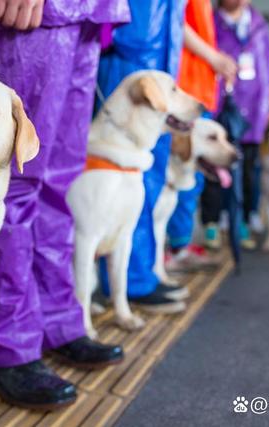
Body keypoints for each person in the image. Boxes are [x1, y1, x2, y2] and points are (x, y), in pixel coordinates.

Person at [0, 0, 130, 410]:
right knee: (11, 178)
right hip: (31, 12)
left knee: (59, 179)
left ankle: (56, 319)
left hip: (84, 10)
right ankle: (7, 345)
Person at [97, 0, 190, 314]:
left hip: (158, 59)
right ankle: (122, 281)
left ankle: (139, 274)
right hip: (127, 58)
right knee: (119, 177)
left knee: (146, 178)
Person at [164, 0, 238, 272]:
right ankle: (171, 248)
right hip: (186, 92)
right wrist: (214, 57)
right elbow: (172, 19)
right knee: (176, 174)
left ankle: (178, 245)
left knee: (189, 176)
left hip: (199, 93)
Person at [214, 0, 269, 250]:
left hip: (255, 103)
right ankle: (223, 214)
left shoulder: (259, 25)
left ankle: (249, 213)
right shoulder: (213, 22)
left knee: (251, 165)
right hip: (224, 102)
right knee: (221, 165)